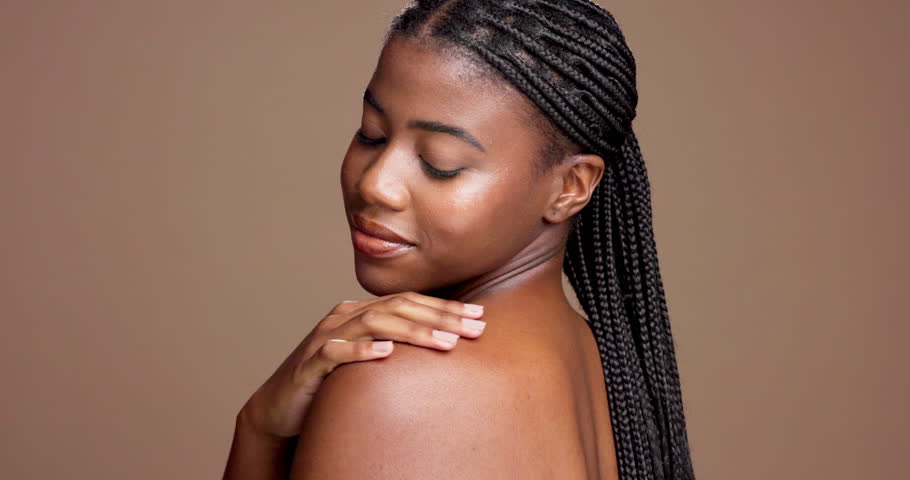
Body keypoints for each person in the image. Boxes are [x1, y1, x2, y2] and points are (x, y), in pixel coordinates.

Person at [224, 1, 695, 479]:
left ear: (570, 187)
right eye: (372, 134)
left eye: (440, 163)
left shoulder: (398, 385)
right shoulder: (598, 363)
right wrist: (260, 426)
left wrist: (257, 433)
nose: (375, 184)